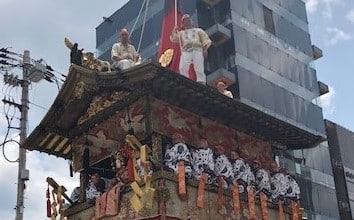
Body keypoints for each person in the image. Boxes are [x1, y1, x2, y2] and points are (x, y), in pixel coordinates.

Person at [170, 14, 212, 84]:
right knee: (183, 67)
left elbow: (205, 39)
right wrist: (174, 30)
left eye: (188, 20)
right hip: (186, 50)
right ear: (183, 24)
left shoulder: (198, 31)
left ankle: (201, 81)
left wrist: (205, 49)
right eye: (185, 21)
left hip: (197, 49)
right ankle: (185, 79)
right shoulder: (181, 33)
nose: (187, 21)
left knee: (199, 67)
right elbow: (174, 38)